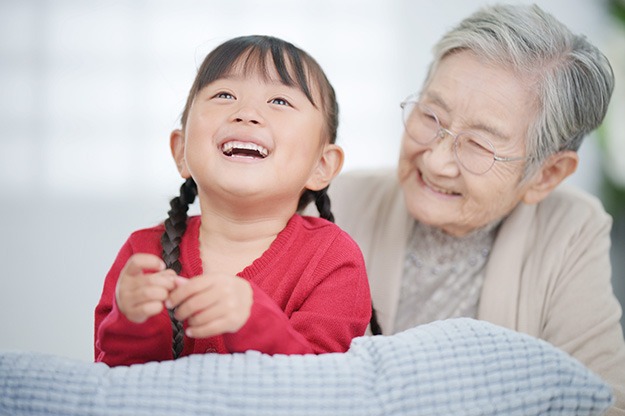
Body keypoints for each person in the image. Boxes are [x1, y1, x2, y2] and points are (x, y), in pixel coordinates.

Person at [325, 4, 625, 414]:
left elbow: (605, 399)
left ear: (547, 174)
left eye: (479, 145)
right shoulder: (335, 201)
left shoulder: (570, 229)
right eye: (430, 115)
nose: (435, 161)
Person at [94, 35, 371, 367]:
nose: (247, 113)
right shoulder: (142, 255)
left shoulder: (335, 260)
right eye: (224, 95)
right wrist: (134, 322)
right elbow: (114, 388)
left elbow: (326, 388)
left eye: (280, 101)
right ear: (181, 151)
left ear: (321, 165)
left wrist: (255, 322)